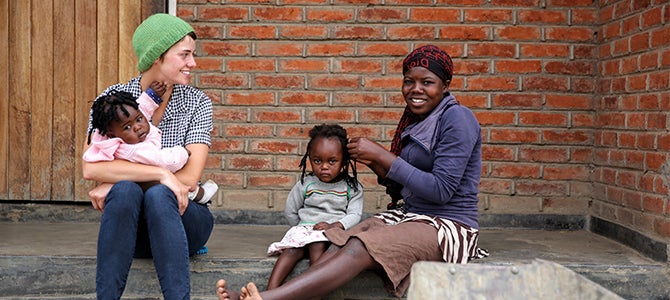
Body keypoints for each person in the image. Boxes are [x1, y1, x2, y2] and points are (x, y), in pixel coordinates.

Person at [216, 44, 489, 300]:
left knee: (361, 245)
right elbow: (403, 185)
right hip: (411, 215)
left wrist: (384, 156)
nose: (415, 89)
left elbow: (440, 190)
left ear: (446, 85)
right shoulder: (417, 121)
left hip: (447, 226)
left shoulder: (458, 118)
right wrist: (374, 161)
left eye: (426, 82)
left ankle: (266, 298)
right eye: (409, 81)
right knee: (340, 239)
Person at [81, 13, 215, 300]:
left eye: (192, 55)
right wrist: (161, 174)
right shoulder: (112, 100)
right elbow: (90, 167)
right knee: (127, 192)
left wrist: (114, 178)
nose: (193, 63)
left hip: (185, 221)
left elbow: (190, 178)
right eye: (184, 55)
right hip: (133, 230)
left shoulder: (198, 103)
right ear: (157, 56)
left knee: (148, 193)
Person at [83, 82, 218, 204]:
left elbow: (143, 109)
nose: (137, 127)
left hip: (144, 183)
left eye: (139, 119)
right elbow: (164, 161)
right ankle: (199, 194)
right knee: (171, 192)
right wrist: (182, 153)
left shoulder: (129, 124)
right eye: (127, 127)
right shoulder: (137, 150)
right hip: (157, 189)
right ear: (113, 134)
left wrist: (152, 95)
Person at [266, 124, 363, 289]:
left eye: (332, 161)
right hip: (306, 228)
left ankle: (313, 287)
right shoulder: (306, 183)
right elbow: (291, 210)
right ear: (309, 158)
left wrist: (335, 225)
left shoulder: (351, 187)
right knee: (290, 251)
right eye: (317, 161)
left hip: (332, 232)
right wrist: (300, 229)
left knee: (317, 245)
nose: (324, 166)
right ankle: (270, 290)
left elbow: (354, 215)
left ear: (344, 161)